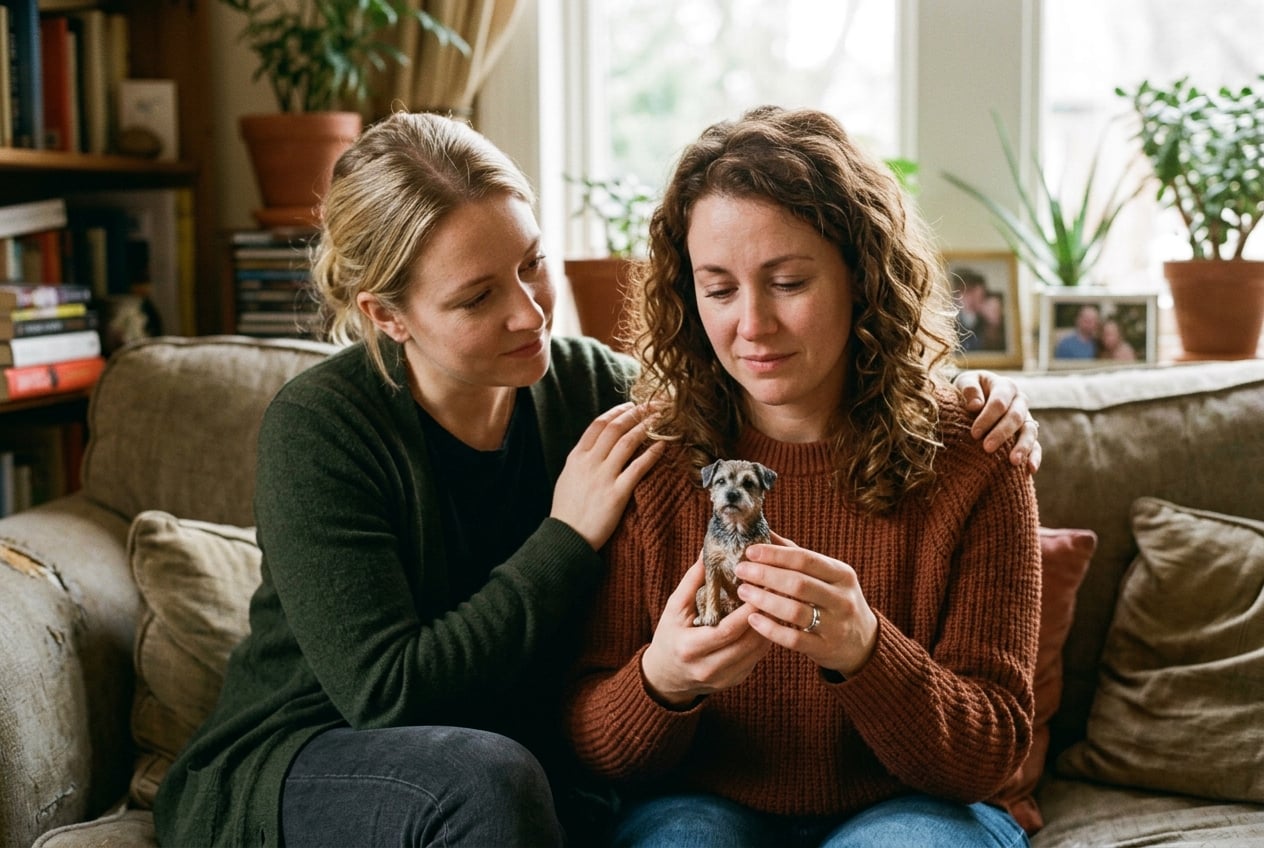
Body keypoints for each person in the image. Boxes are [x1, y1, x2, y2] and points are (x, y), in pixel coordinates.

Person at [153, 111, 1040, 848]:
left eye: (533, 263)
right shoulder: (324, 427)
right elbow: (391, 695)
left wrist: (978, 402)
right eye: (475, 298)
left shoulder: (601, 394)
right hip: (325, 741)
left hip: (544, 762)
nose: (528, 311)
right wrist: (574, 550)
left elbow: (779, 393)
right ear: (387, 315)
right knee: (508, 784)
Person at [565, 106, 1042, 848]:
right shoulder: (652, 460)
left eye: (787, 281)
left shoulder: (977, 454)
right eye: (718, 289)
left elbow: (988, 754)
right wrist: (663, 679)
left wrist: (864, 649)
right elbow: (591, 744)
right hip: (702, 806)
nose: (752, 325)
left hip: (920, 808)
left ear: (862, 277)